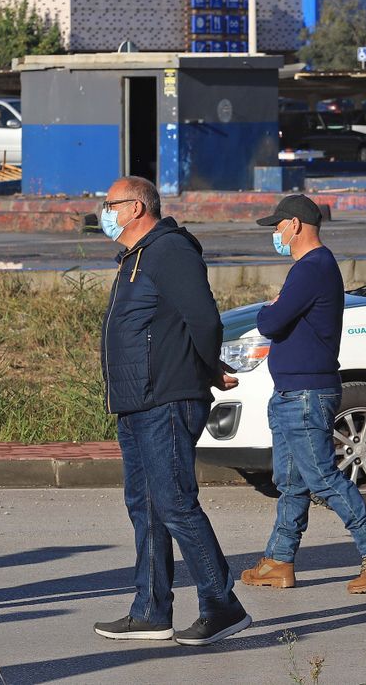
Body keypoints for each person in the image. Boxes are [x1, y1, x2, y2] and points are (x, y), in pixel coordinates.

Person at [93, 176, 251, 646]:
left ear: (137, 207)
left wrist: (204, 369)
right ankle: (150, 610)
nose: (103, 212)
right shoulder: (135, 258)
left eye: (110, 204)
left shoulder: (170, 251)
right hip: (136, 400)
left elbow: (204, 319)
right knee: (145, 508)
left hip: (166, 398)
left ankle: (222, 606)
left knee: (175, 503)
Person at [239, 195, 366, 593]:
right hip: (291, 392)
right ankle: (280, 559)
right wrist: (275, 309)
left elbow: (271, 320)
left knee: (322, 477)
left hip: (306, 393)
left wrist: (270, 310)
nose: (276, 234)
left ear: (296, 224)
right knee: (292, 481)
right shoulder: (312, 268)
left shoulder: (312, 268)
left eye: (278, 226)